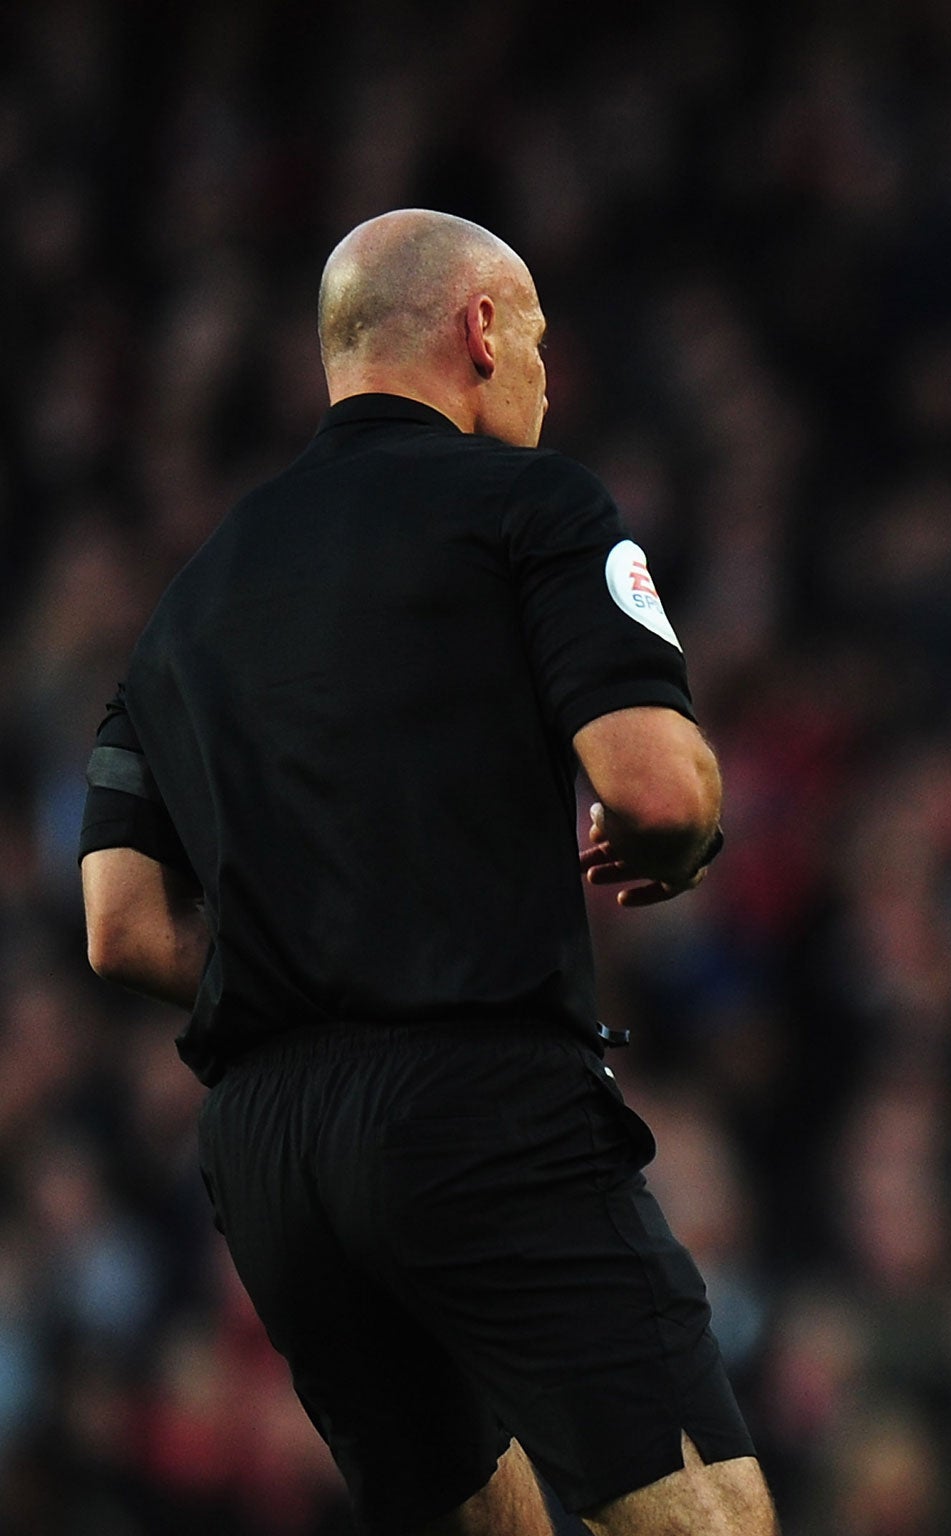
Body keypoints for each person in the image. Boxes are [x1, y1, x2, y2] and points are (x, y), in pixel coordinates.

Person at [78, 209, 774, 1536]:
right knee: (705, 1514)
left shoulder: (190, 598)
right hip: (475, 1099)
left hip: (274, 1155)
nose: (548, 375)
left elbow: (118, 926)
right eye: (541, 339)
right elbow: (657, 788)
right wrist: (684, 838)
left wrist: (305, 961)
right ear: (481, 327)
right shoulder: (536, 506)